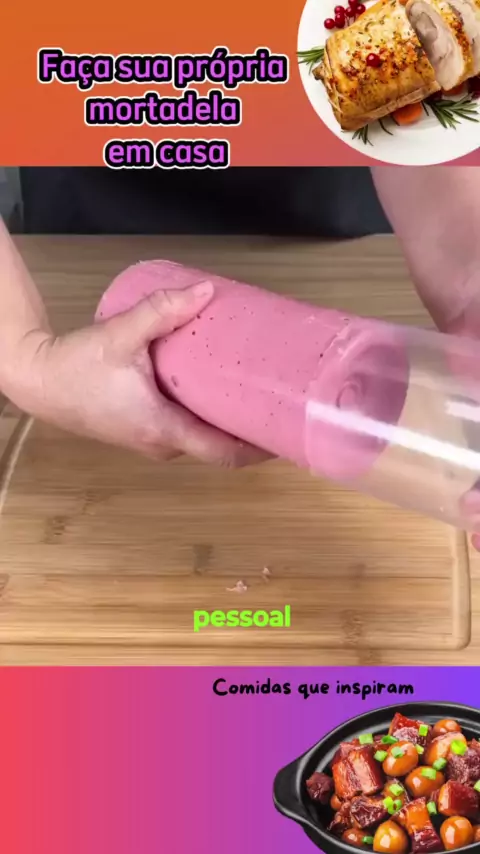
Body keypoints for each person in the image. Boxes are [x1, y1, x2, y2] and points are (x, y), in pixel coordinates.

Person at [1, 165, 479, 468]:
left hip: (334, 198)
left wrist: (467, 282)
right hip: (91, 207)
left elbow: (409, 66)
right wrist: (29, 359)